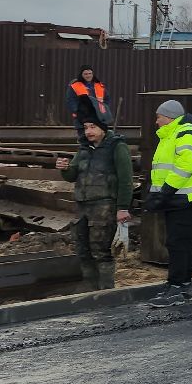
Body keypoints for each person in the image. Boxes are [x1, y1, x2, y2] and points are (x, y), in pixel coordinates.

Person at [145, 99, 192, 307]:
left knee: (177, 243)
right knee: (180, 242)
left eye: (159, 117)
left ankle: (176, 288)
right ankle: (181, 285)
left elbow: (187, 164)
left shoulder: (186, 132)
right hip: (179, 198)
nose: (156, 121)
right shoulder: (173, 134)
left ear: (170, 117)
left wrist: (166, 190)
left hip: (184, 198)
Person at [57, 119, 132, 290]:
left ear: (103, 128)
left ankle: (105, 292)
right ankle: (89, 290)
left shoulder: (116, 147)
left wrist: (122, 208)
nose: (88, 131)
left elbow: (126, 180)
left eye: (93, 127)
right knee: (83, 251)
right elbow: (71, 175)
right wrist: (64, 168)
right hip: (83, 207)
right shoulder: (84, 148)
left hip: (104, 207)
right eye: (85, 128)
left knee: (101, 251)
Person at [70, 67, 113, 144]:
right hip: (82, 116)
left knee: (100, 139)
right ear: (81, 75)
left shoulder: (99, 86)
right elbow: (71, 100)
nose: (88, 76)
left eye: (90, 73)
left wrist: (104, 110)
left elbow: (106, 99)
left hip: (98, 116)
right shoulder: (75, 86)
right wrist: (78, 111)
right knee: (84, 140)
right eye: (85, 74)